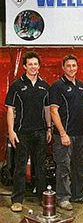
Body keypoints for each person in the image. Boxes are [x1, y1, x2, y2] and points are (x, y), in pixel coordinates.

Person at [5, 51, 52, 212]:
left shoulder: (45, 86)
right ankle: (17, 199)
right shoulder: (17, 86)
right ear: (24, 66)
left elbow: (47, 109)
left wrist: (49, 128)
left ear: (39, 66)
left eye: (35, 64)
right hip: (22, 133)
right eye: (30, 64)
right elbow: (10, 110)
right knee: (20, 166)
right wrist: (11, 131)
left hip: (40, 132)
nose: (33, 67)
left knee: (40, 167)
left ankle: (42, 197)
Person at [50, 54, 83, 211]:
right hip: (64, 135)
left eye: (74, 66)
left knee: (79, 167)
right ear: (63, 68)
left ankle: (78, 194)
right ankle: (63, 197)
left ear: (77, 67)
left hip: (80, 133)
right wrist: (62, 133)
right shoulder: (57, 86)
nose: (72, 68)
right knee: (63, 167)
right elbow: (53, 111)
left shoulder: (81, 85)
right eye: (68, 66)